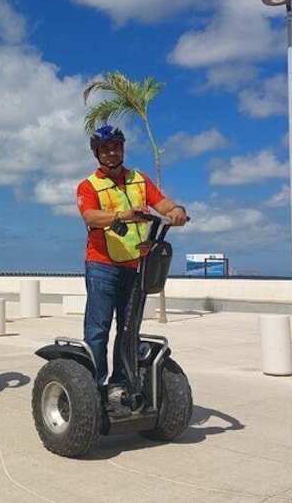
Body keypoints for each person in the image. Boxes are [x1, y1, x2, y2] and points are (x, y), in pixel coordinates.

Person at [76, 125, 188, 397]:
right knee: (98, 329)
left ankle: (120, 383)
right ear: (97, 154)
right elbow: (90, 217)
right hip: (101, 265)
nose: (111, 153)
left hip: (134, 265)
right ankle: (95, 387)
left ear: (122, 149)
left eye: (116, 147)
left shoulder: (139, 179)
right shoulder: (89, 186)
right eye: (105, 149)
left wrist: (176, 210)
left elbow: (161, 203)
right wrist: (122, 216)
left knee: (129, 329)